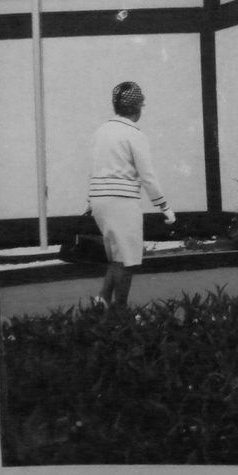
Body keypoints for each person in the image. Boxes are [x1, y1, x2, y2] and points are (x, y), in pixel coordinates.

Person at [87, 81, 174, 308]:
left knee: (117, 254)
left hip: (98, 200)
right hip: (122, 200)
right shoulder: (134, 134)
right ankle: (119, 311)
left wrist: (90, 200)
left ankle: (102, 301)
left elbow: (94, 168)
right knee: (129, 258)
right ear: (138, 108)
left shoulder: (100, 131)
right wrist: (164, 206)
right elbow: (147, 176)